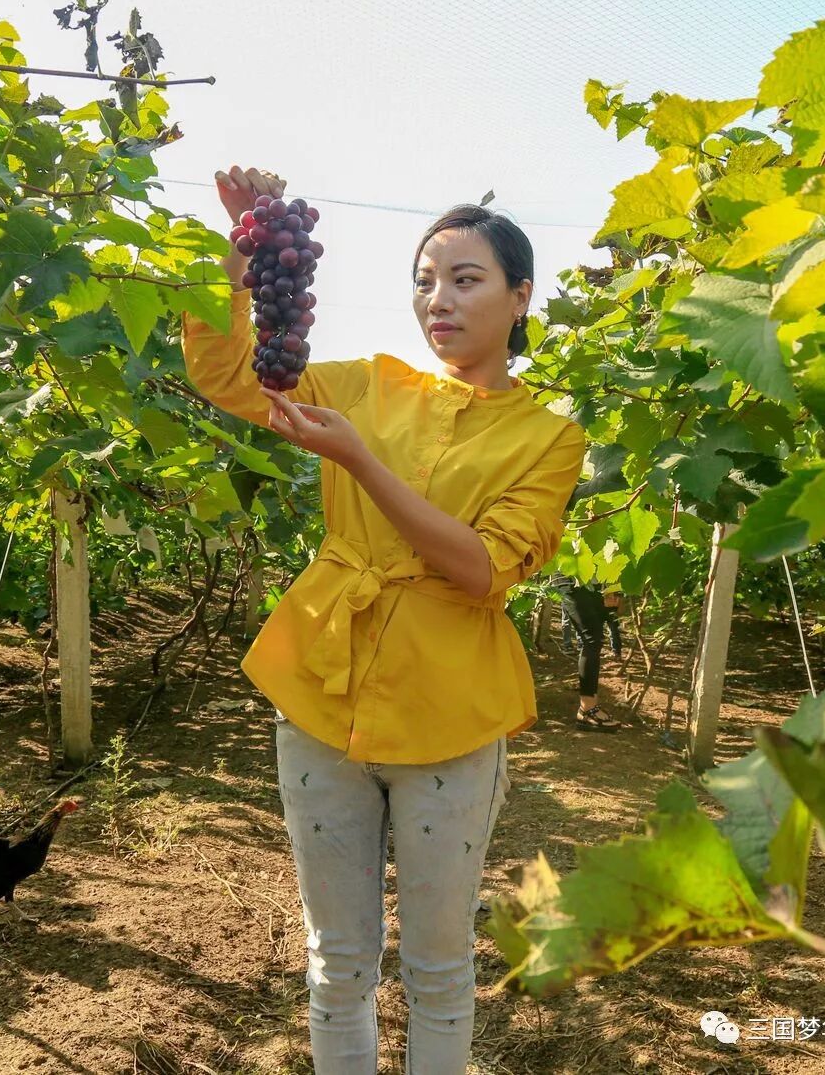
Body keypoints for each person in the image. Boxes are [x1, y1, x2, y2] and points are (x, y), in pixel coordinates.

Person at [182, 164, 585, 1075]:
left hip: (449, 715)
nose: (437, 299)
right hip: (320, 687)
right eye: (424, 279)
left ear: (521, 296)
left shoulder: (549, 437)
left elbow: (483, 568)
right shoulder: (368, 383)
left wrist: (363, 465)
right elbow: (227, 376)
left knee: (439, 969)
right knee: (336, 965)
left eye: (466, 279)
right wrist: (242, 251)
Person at [554, 575, 622, 731]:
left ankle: (591, 706)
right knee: (591, 640)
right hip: (573, 580)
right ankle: (587, 709)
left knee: (595, 640)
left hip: (593, 581)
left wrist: (610, 587)